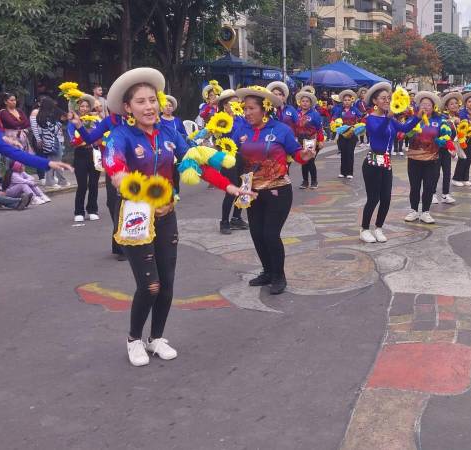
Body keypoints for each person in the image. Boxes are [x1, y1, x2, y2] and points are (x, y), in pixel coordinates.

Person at [100, 68, 250, 367]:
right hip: (136, 218)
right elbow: (115, 170)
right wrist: (130, 184)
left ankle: (156, 338)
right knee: (150, 285)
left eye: (152, 100)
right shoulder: (119, 137)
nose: (149, 106)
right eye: (140, 102)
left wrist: (230, 186)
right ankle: (134, 339)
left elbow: (196, 162)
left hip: (168, 214)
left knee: (167, 283)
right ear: (128, 108)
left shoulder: (169, 133)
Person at [230, 86, 316, 295]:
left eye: (251, 108)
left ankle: (279, 276)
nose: (247, 113)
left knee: (270, 234)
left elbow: (295, 153)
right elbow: (232, 153)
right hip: (251, 191)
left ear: (264, 108)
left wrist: (304, 155)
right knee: (256, 234)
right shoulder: (241, 129)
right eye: (245, 108)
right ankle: (267, 272)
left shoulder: (281, 130)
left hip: (278, 190)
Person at [359, 82, 420, 243]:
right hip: (372, 163)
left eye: (389, 98)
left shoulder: (391, 118)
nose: (387, 101)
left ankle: (379, 228)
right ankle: (364, 229)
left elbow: (405, 129)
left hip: (386, 163)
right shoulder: (370, 118)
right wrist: (388, 118)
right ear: (375, 101)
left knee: (386, 198)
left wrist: (418, 117)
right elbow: (377, 132)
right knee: (373, 198)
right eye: (383, 98)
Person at [72, 104, 128, 260]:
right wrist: (79, 125)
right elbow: (90, 138)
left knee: (130, 203)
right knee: (113, 203)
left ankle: (130, 244)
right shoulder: (110, 121)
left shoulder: (139, 118)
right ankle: (120, 244)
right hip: (114, 168)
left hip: (135, 166)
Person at [405, 91, 445, 224]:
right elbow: (406, 133)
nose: (426, 107)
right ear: (418, 106)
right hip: (414, 159)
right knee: (414, 186)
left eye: (428, 105)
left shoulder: (439, 120)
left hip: (432, 160)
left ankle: (425, 212)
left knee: (429, 186)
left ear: (433, 107)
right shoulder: (413, 119)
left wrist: (445, 140)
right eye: (423, 104)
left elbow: (447, 135)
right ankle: (413, 211)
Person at [215, 89, 249, 235]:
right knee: (231, 190)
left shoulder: (242, 118)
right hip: (229, 158)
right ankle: (224, 221)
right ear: (224, 105)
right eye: (231, 102)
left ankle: (237, 217)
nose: (235, 104)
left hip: (244, 157)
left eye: (236, 101)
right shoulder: (220, 120)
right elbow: (222, 141)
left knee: (244, 188)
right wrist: (238, 140)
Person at [67, 94, 101, 222]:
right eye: (82, 106)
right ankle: (79, 211)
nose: (85, 108)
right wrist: (81, 140)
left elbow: (101, 135)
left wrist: (96, 140)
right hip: (80, 153)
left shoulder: (95, 120)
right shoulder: (73, 121)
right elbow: (72, 138)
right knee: (82, 184)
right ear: (78, 108)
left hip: (94, 153)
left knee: (93, 183)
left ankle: (92, 209)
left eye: (87, 106)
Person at [36, 97, 69, 187]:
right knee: (56, 161)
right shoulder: (48, 117)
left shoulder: (39, 116)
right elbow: (53, 130)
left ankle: (58, 181)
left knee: (51, 161)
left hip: (46, 141)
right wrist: (59, 122)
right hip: (53, 141)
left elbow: (40, 131)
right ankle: (55, 181)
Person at [294, 90, 324, 190]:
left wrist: (321, 141)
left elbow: (319, 129)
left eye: (307, 101)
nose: (305, 103)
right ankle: (305, 181)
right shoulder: (296, 113)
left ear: (310, 103)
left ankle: (314, 181)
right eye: (303, 101)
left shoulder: (315, 114)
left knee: (310, 161)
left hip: (311, 140)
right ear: (300, 102)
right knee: (303, 160)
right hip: (300, 141)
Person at [331, 89, 362, 179]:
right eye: (345, 100)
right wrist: (334, 123)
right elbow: (333, 119)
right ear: (342, 101)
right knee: (343, 153)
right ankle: (342, 172)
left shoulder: (355, 110)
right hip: (342, 135)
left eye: (349, 100)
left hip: (352, 134)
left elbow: (361, 118)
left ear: (351, 100)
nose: (347, 101)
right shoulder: (339, 110)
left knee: (350, 153)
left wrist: (359, 125)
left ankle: (349, 173)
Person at [438, 91, 462, 204]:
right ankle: (432, 194)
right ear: (446, 106)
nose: (454, 105)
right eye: (451, 104)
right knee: (435, 172)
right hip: (439, 147)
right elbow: (441, 125)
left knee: (447, 172)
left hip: (449, 148)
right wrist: (451, 121)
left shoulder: (459, 117)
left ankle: (445, 194)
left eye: (456, 103)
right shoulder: (442, 116)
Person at [453, 91, 471, 187]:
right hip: (463, 138)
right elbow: (463, 123)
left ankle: (465, 178)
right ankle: (456, 178)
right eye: (469, 101)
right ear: (466, 103)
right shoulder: (462, 112)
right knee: (463, 158)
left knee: (469, 158)